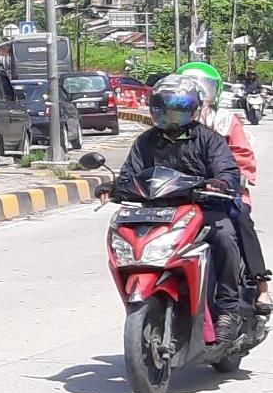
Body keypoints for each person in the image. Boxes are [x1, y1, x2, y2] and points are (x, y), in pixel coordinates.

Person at [97, 75, 246, 342]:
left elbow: (227, 170)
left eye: (178, 109)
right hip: (156, 212)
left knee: (225, 236)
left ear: (194, 109)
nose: (171, 116)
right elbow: (131, 174)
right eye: (165, 110)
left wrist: (219, 183)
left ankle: (227, 310)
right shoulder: (146, 142)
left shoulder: (209, 140)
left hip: (200, 209)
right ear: (155, 111)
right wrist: (113, 187)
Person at [180, 62, 270, 312]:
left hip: (224, 194)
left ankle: (261, 285)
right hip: (183, 195)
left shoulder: (224, 121)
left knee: (240, 220)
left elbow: (243, 157)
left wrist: (226, 179)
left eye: (204, 87)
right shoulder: (173, 122)